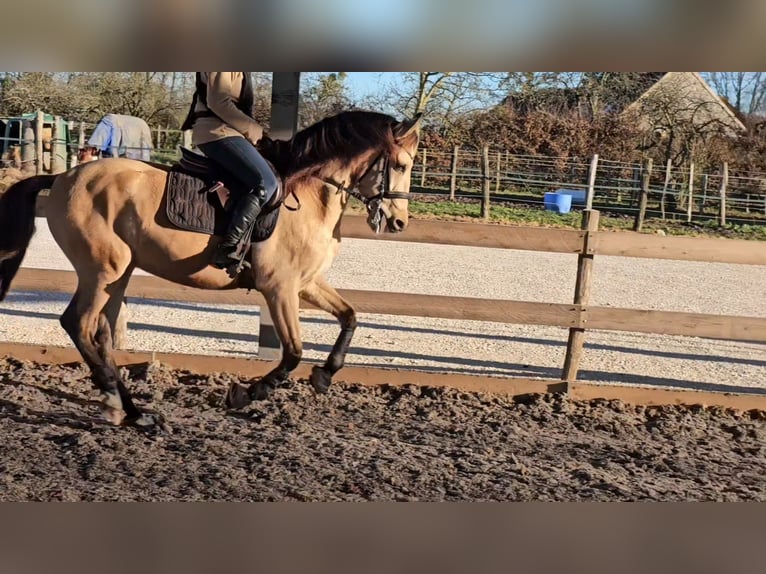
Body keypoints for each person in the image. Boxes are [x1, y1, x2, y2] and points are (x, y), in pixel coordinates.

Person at [181, 72, 279, 272]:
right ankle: (227, 248)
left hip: (229, 131)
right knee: (265, 182)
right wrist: (254, 130)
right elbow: (217, 101)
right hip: (218, 131)